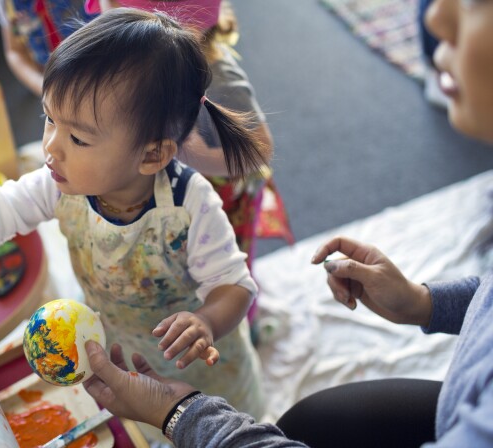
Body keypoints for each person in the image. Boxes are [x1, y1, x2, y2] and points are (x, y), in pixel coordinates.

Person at [81, 0, 493, 446]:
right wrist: (423, 303)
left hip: (222, 196)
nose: (433, 17)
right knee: (313, 418)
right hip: (461, 391)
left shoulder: (213, 88)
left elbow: (257, 149)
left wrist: (179, 414)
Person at [0, 8, 268, 420]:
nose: (50, 147)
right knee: (141, 424)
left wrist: (207, 321)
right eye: (50, 119)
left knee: (203, 428)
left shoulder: (190, 206)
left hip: (196, 371)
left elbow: (233, 285)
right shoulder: (59, 181)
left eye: (78, 138)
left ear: (153, 154)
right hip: (120, 340)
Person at [87, 0, 292, 332]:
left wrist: (181, 150)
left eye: (111, 9)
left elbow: (261, 149)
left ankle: (244, 324)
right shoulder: (144, 66)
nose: (98, 14)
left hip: (224, 198)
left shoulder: (219, 79)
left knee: (227, 274)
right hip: (177, 197)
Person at [0, 0, 97, 97]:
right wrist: (44, 88)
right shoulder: (6, 3)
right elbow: (15, 50)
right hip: (56, 82)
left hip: (101, 64)